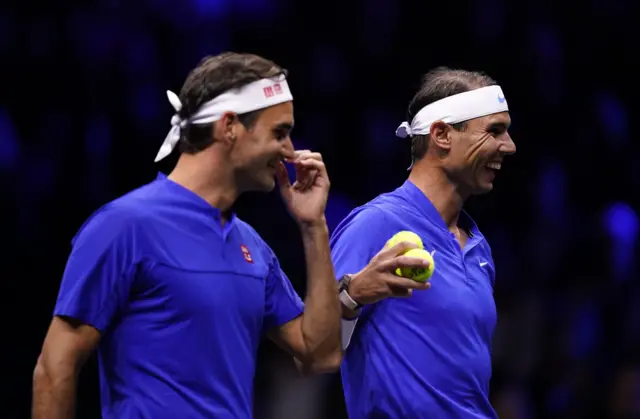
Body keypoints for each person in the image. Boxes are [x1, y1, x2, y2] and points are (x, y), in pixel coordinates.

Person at [32, 52, 345, 419]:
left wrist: (314, 226)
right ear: (229, 127)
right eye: (279, 133)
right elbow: (54, 370)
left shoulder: (253, 247)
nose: (290, 151)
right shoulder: (124, 226)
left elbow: (321, 353)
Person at [331, 67, 517, 418]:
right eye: (494, 131)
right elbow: (315, 349)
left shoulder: (480, 248)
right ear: (442, 135)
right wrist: (351, 294)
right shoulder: (375, 224)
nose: (509, 146)